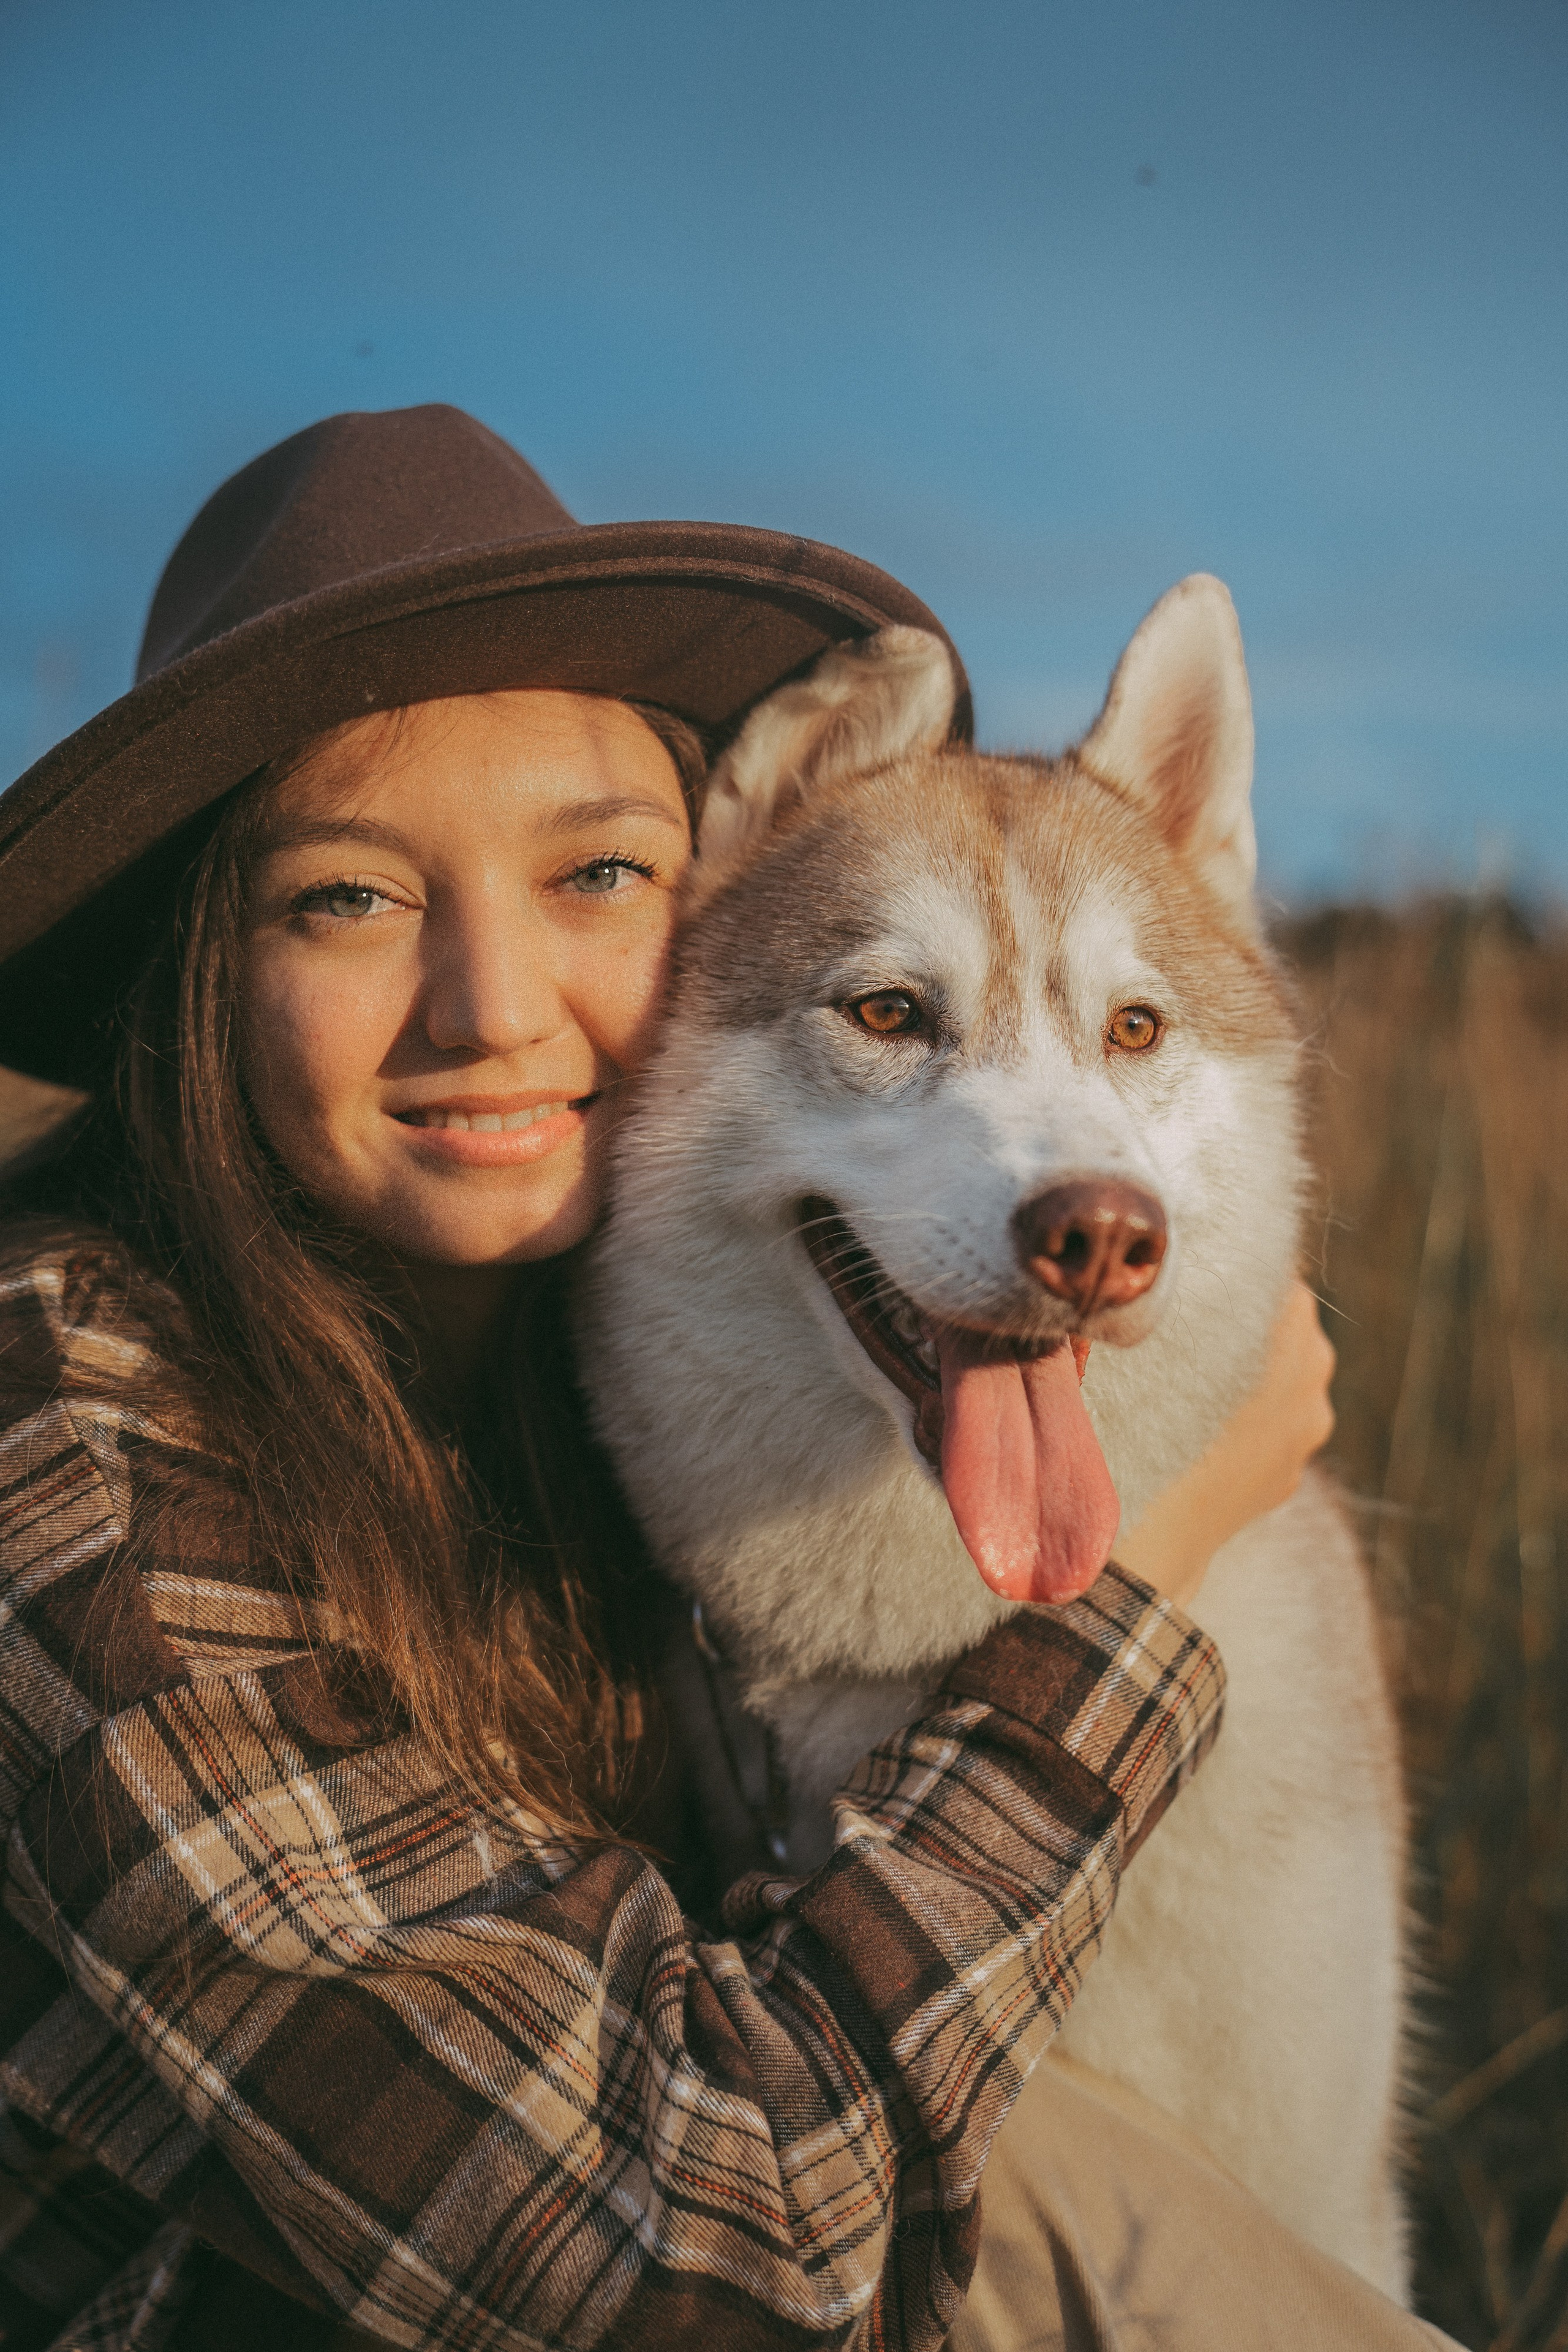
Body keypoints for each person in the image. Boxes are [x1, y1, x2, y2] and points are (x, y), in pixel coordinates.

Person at [0, 407, 1447, 2351]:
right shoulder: (69, 1477)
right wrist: (1152, 1567)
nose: (497, 1010)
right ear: (203, 960)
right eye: (344, 896)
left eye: (596, 874)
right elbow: (682, 2253)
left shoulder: (557, 1357)